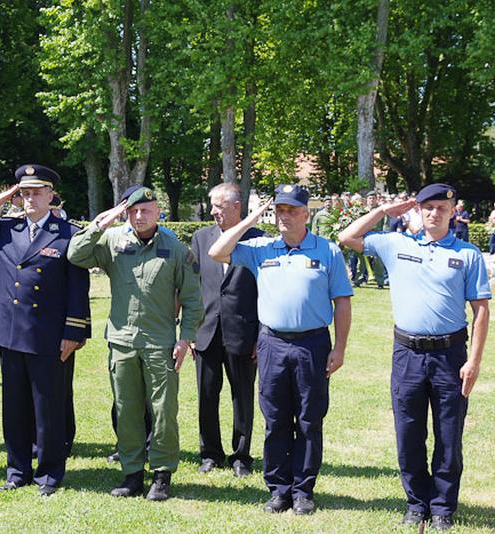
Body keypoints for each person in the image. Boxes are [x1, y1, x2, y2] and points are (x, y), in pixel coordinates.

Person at [338, 184, 490, 531]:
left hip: (450, 355)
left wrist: (474, 361)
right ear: (418, 210)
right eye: (428, 207)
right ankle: (416, 503)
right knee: (408, 432)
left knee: (448, 433)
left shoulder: (468, 254)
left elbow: (481, 310)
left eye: (442, 208)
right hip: (407, 353)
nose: (434, 213)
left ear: (452, 212)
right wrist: (384, 211)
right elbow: (347, 237)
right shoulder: (396, 244)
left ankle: (443, 507)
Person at [208, 184, 352, 515]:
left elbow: (342, 302)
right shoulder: (261, 248)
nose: (284, 216)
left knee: (309, 419)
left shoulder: (327, 251)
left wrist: (340, 348)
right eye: (280, 210)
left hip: (313, 344)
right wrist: (250, 219)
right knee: (275, 418)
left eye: (292, 210)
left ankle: (303, 491)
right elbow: (216, 252)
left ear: (306, 214)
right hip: (272, 343)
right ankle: (278, 489)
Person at [0, 165, 91, 496]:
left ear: (51, 195)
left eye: (37, 192)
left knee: (48, 407)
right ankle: (17, 471)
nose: (30, 198)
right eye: (25, 193)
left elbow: (78, 287)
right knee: (14, 406)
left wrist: (74, 332)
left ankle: (49, 474)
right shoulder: (6, 228)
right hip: (11, 331)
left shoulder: (68, 233)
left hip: (48, 334)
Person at [68, 185, 203, 502]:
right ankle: (132, 474)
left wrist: (185, 338)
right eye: (133, 210)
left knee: (163, 411)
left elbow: (193, 299)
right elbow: (76, 254)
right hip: (122, 341)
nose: (139, 216)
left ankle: (162, 474)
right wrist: (101, 223)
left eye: (146, 210)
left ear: (158, 212)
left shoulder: (175, 247)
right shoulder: (113, 241)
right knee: (126, 410)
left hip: (160, 343)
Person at [190, 183, 263, 477]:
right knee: (206, 395)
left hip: (243, 331)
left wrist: (260, 335)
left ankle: (241, 456)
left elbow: (266, 291)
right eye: (212, 206)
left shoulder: (259, 240)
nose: (213, 211)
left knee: (242, 397)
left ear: (236, 207)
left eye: (219, 206)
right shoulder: (200, 238)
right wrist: (189, 331)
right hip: (206, 331)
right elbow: (192, 286)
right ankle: (210, 453)